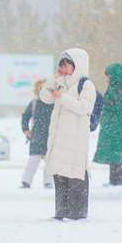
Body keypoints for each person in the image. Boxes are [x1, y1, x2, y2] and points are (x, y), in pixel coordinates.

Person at [40, 49, 96, 220]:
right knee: (59, 173)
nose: (64, 68)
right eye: (62, 65)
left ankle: (77, 213)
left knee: (75, 174)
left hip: (75, 138)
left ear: (77, 65)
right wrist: (53, 79)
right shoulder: (61, 83)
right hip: (59, 138)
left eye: (67, 65)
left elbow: (84, 108)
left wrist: (62, 97)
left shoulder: (86, 85)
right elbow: (45, 97)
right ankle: (61, 211)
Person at [93, 63, 122, 186]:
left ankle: (116, 179)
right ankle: (114, 179)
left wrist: (101, 98)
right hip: (112, 125)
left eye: (108, 75)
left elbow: (115, 105)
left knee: (115, 152)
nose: (107, 78)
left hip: (116, 126)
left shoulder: (119, 88)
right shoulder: (116, 87)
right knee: (113, 152)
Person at [19, 79, 54, 189]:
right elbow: (25, 116)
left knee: (50, 162)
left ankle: (48, 182)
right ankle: (26, 181)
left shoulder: (54, 104)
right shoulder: (34, 103)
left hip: (51, 137)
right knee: (33, 161)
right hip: (37, 137)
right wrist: (26, 130)